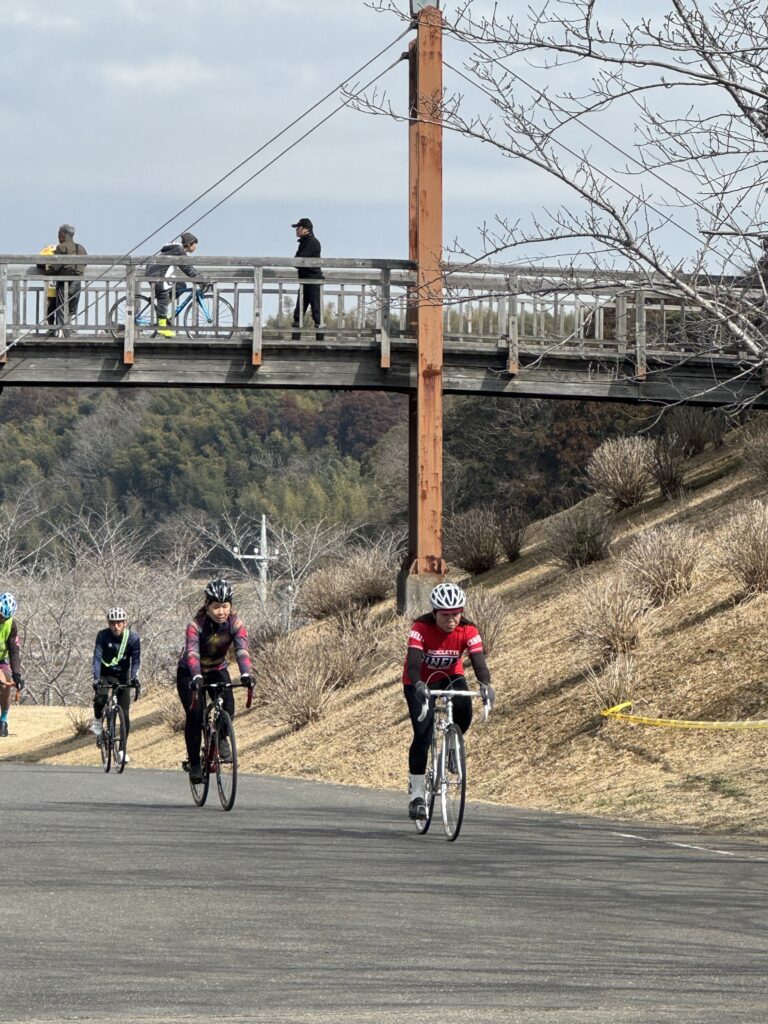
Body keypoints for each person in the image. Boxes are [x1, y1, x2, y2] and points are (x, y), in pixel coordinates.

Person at [402, 582, 495, 821]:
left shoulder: (469, 630)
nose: (451, 619)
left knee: (464, 710)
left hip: (451, 677)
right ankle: (417, 796)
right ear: (435, 613)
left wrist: (486, 685)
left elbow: (479, 663)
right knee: (423, 735)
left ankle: (452, 746)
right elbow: (413, 665)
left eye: (456, 613)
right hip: (418, 681)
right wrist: (418, 685)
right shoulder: (420, 628)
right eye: (445, 614)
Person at [176, 578, 253, 784]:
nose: (221, 612)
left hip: (217, 669)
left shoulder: (235, 624)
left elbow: (242, 650)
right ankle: (194, 764)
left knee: (229, 706)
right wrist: (196, 676)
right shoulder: (195, 626)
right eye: (216, 607)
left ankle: (220, 737)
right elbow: (192, 653)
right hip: (190, 672)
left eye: (225, 606)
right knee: (195, 714)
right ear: (207, 605)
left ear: (231, 605)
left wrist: (246, 673)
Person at [91, 607, 141, 763]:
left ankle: (122, 751)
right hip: (105, 674)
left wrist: (134, 678)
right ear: (109, 624)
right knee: (101, 698)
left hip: (122, 676)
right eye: (112, 623)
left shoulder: (132, 638)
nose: (116, 626)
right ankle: (97, 720)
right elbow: (97, 657)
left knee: (124, 714)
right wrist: (96, 678)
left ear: (125, 623)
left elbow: (136, 661)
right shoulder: (102, 636)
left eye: (119, 623)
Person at [145, 231, 208, 338]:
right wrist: (199, 279)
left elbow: (188, 266)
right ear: (189, 244)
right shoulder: (179, 250)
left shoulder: (178, 250)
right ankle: (162, 327)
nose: (196, 246)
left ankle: (163, 310)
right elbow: (186, 268)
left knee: (181, 286)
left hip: (160, 273)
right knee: (163, 295)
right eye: (195, 244)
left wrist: (199, 276)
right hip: (157, 275)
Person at [46, 224, 87, 336]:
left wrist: (46, 269)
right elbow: (85, 263)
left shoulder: (61, 248)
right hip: (77, 283)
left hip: (64, 283)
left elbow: (56, 268)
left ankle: (62, 332)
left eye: (58, 234)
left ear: (62, 234)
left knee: (61, 308)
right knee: (71, 309)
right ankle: (69, 329)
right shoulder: (81, 248)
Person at [291, 218, 323, 340]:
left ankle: (320, 340)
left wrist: (298, 261)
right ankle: (295, 339)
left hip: (313, 281)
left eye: (298, 228)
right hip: (305, 281)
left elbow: (299, 261)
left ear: (306, 229)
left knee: (316, 312)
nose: (296, 230)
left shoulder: (312, 242)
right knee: (299, 311)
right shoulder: (304, 242)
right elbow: (296, 261)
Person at [0, 592, 25, 738]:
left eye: (5, 618)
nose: (2, 620)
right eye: (0, 616)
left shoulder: (11, 624)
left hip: (1, 659)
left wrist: (17, 675)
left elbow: (14, 651)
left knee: (6, 684)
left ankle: (3, 721)